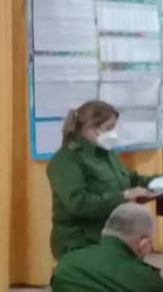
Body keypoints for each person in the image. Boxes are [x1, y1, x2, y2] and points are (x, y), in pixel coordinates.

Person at [47, 100, 156, 260]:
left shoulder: (106, 153)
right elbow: (78, 203)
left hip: (111, 237)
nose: (113, 133)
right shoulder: (66, 160)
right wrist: (123, 196)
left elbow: (132, 179)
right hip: (80, 242)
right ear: (90, 128)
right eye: (109, 128)